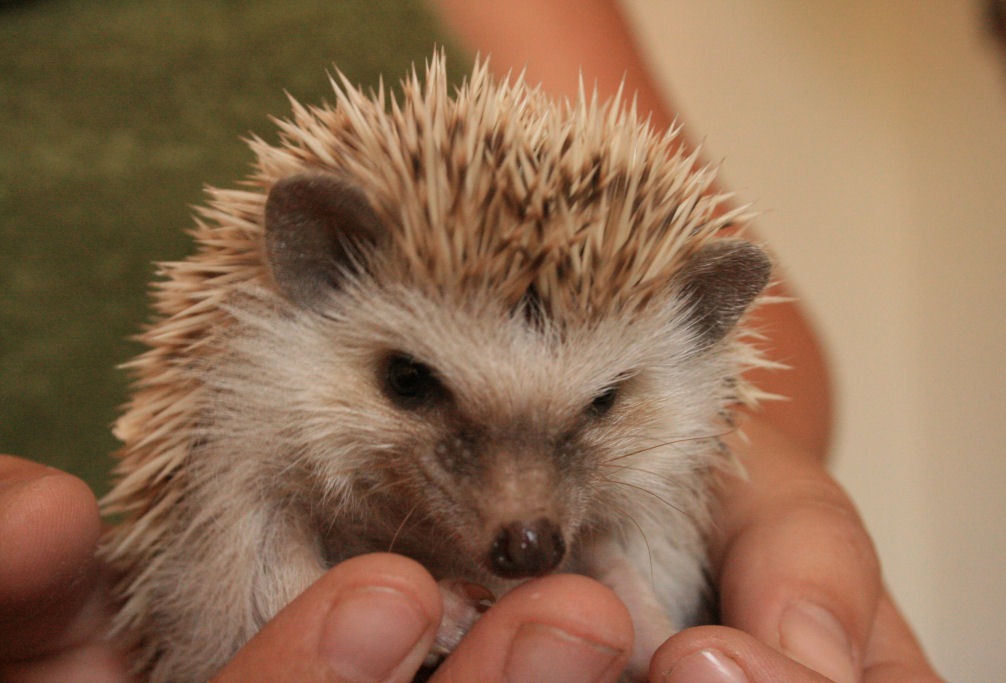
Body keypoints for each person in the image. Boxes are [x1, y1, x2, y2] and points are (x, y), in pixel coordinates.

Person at [0, 1, 943, 681]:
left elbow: (767, 371)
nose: (523, 518)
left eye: (601, 403)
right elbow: (218, 628)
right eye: (413, 381)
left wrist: (760, 537)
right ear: (314, 266)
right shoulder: (251, 368)